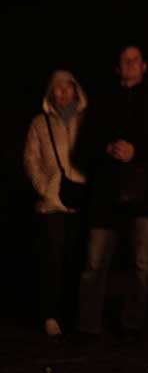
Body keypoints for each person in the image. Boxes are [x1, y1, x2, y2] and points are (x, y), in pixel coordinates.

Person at [77, 45, 148, 341]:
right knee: (95, 262)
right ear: (117, 66)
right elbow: (84, 146)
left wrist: (138, 151)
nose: (129, 65)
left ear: (144, 66)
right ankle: (88, 325)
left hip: (146, 194)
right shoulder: (104, 102)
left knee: (141, 263)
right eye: (124, 60)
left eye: (134, 60)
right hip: (106, 195)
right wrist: (107, 149)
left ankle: (132, 324)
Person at [23, 70, 88, 338]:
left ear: (76, 90)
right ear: (51, 93)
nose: (63, 92)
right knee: (52, 261)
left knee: (78, 261)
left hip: (81, 200)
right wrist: (45, 189)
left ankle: (74, 315)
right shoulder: (40, 123)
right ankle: (50, 315)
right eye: (57, 88)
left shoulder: (87, 120)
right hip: (52, 203)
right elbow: (30, 159)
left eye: (67, 87)